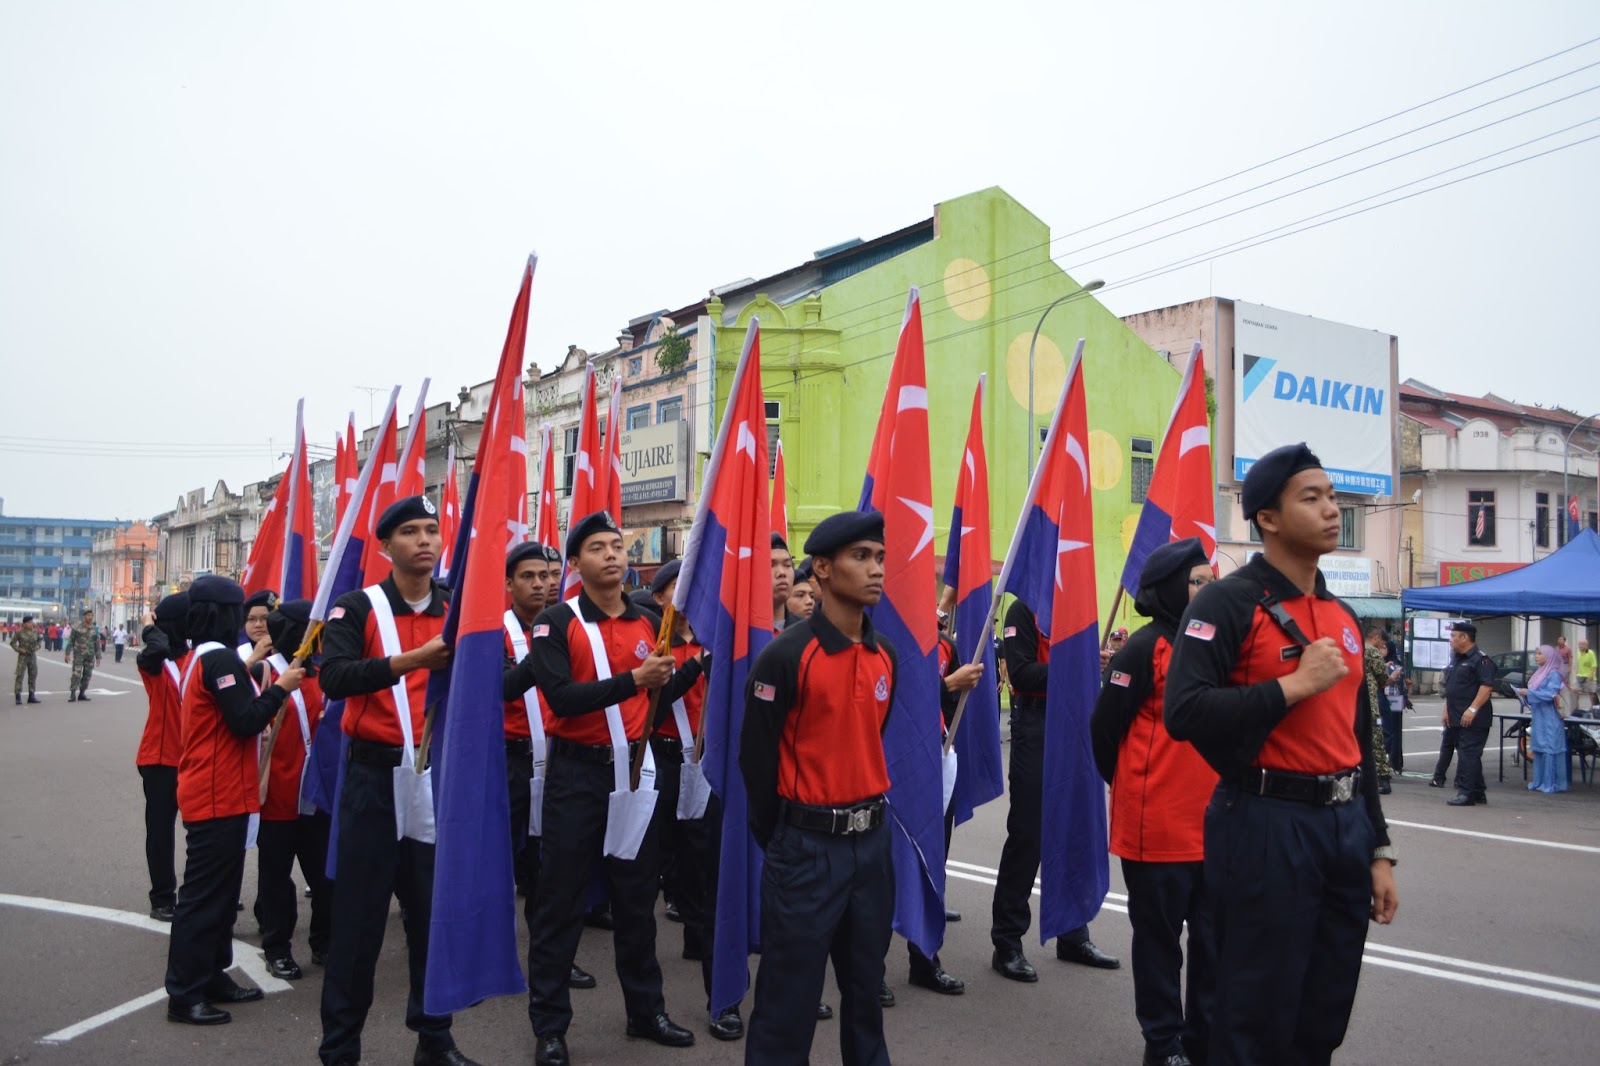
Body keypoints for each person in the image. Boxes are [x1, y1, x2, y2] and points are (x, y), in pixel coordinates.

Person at [1164, 442, 1398, 1066]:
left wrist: (1377, 849)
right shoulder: (1226, 603)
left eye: (1333, 497)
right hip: (1266, 822)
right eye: (1311, 497)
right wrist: (1290, 687)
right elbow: (1183, 711)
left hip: (1343, 828)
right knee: (1251, 1010)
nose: (1330, 509)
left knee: (1323, 1011)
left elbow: (1358, 742)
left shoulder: (1342, 615)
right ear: (1267, 517)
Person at [518, 510, 692, 1066]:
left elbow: (656, 698)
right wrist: (633, 682)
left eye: (617, 546)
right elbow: (562, 698)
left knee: (637, 900)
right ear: (575, 564)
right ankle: (550, 1028)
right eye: (597, 548)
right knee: (560, 903)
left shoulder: (647, 619)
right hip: (577, 776)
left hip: (635, 773)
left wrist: (686, 669)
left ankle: (647, 1012)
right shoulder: (556, 622)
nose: (612, 555)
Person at [317, 494, 481, 1066]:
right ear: (386, 546)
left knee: (433, 919)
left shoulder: (458, 609)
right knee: (358, 924)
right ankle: (340, 1048)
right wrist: (413, 660)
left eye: (433, 530)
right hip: (374, 779)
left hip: (436, 779)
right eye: (410, 531)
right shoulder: (358, 608)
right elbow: (333, 678)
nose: (425, 541)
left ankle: (435, 1038)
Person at [741, 510, 898, 1066]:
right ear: (824, 569)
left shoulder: (886, 656)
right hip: (805, 850)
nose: (876, 568)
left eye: (879, 556)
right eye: (861, 557)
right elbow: (756, 764)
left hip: (872, 848)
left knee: (867, 1000)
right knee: (789, 1003)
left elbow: (866, 738)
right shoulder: (785, 656)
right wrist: (787, 837)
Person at [1090, 538, 1217, 1066]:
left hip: (1213, 829)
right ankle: (1163, 1042)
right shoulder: (1143, 650)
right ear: (1169, 589)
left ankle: (1202, 1039)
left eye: (1212, 582)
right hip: (1157, 828)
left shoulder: (1214, 646)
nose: (1210, 592)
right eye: (1198, 582)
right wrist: (1136, 789)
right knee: (1160, 944)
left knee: (1213, 943)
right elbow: (1104, 731)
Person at [164, 575, 303, 1026]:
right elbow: (246, 719)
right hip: (215, 792)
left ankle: (212, 974)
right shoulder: (218, 658)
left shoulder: (204, 657)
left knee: (222, 897)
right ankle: (184, 992)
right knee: (203, 899)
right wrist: (283, 686)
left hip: (225, 791)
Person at [991, 600, 1120, 983]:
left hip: (1076, 724)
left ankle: (1073, 932)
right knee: (1029, 835)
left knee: (1075, 833)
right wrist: (1077, 665)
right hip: (1037, 725)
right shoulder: (1023, 611)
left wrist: (1094, 663)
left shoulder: (1075, 603)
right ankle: (1007, 942)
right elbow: (1023, 673)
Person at [500, 540, 596, 991]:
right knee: (502, 864)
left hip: (555, 760)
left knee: (549, 871)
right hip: (509, 762)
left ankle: (552, 960)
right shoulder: (495, 631)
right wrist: (542, 659)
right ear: (509, 584)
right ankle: (495, 956)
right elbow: (499, 688)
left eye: (546, 576)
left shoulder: (569, 626)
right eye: (528, 577)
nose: (540, 584)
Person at [252, 599, 333, 979]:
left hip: (316, 796)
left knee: (325, 877)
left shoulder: (323, 673)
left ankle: (324, 942)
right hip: (278, 796)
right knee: (276, 879)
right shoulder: (263, 673)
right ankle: (277, 947)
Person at [905, 611, 983, 997]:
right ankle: (866, 972)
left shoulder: (945, 645)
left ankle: (924, 959)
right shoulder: (888, 638)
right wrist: (948, 683)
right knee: (885, 869)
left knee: (933, 859)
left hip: (936, 759)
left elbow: (949, 704)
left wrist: (944, 737)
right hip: (896, 767)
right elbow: (902, 694)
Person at [136, 593, 191, 921]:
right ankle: (162, 898)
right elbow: (157, 647)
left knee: (202, 831)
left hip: (193, 758)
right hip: (159, 759)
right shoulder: (153, 660)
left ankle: (200, 889)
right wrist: (148, 626)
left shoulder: (197, 657)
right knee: (160, 833)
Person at [1432, 622, 1495, 806]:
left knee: (1469, 754)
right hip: (1456, 715)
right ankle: (1478, 791)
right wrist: (1446, 710)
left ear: (1464, 638)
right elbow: (1453, 688)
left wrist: (1473, 709)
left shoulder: (1480, 660)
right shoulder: (1457, 659)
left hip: (1474, 718)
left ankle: (1466, 793)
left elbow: (1486, 687)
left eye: (1453, 636)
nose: (1451, 640)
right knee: (1468, 754)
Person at [1519, 645, 1569, 793]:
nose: (1536, 656)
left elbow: (1551, 695)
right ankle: (1539, 781)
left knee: (1550, 748)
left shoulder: (1554, 673)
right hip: (1539, 715)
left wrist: (1529, 692)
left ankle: (1552, 782)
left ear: (1549, 656)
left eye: (1540, 654)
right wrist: (1525, 695)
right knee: (1539, 747)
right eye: (1536, 653)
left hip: (1550, 717)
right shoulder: (1540, 672)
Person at [1362, 626, 1396, 794]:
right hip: (1370, 703)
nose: (1382, 646)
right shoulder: (1373, 653)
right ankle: (1383, 779)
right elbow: (1384, 680)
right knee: (1377, 740)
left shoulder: (1355, 648)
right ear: (1375, 637)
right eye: (1382, 642)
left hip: (1354, 702)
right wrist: (1393, 676)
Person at [67, 608, 100, 701]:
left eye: (91, 616)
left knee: (87, 675)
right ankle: (73, 693)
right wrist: (67, 653)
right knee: (76, 674)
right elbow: (71, 640)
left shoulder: (93, 629)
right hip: (79, 655)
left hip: (90, 655)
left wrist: (98, 657)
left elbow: (97, 643)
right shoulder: (77, 627)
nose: (90, 617)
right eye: (88, 615)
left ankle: (82, 693)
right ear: (84, 616)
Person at [12, 615, 41, 704]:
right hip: (23, 656)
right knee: (20, 675)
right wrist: (20, 650)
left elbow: (39, 641)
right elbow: (13, 643)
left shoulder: (35, 632)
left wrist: (38, 646)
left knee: (33, 675)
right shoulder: (19, 632)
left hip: (32, 656)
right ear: (24, 624)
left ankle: (31, 696)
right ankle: (18, 696)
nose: (31, 624)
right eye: (29, 622)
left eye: (32, 622)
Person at [770, 533, 795, 631]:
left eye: (787, 565)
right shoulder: (740, 632)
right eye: (771, 565)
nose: (781, 573)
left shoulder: (805, 631)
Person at [1578, 639, 1598, 712]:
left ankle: (1594, 707)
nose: (1579, 646)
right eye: (1579, 644)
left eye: (1581, 644)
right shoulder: (1578, 653)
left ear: (1586, 645)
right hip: (1580, 675)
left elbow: (1594, 665)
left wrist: (1591, 674)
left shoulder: (1590, 653)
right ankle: (1576, 707)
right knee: (1576, 691)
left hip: (1588, 676)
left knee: (1591, 692)